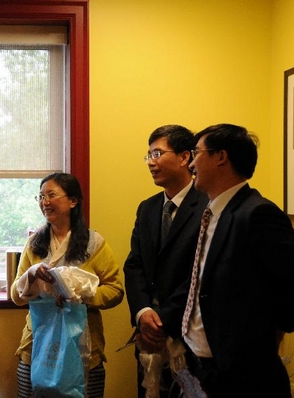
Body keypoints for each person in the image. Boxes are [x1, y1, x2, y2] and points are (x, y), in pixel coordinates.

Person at [158, 123, 294, 397]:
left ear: (221, 157)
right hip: (200, 367)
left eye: (196, 153)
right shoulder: (213, 212)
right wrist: (163, 321)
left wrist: (270, 328)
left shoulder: (256, 214)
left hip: (241, 376)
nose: (191, 163)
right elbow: (201, 281)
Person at [10, 172, 124, 398]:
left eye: (51, 195)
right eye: (41, 197)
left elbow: (116, 289)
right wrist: (31, 276)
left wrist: (82, 295)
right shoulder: (34, 244)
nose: (45, 202)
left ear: (73, 201)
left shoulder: (94, 243)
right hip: (37, 347)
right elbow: (16, 295)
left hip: (83, 349)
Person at [124, 125, 208, 397]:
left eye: (158, 153)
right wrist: (142, 314)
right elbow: (135, 265)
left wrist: (162, 320)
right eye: (148, 155)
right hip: (147, 336)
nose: (150, 162)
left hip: (189, 338)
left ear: (185, 157)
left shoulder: (208, 206)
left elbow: (200, 274)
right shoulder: (147, 208)